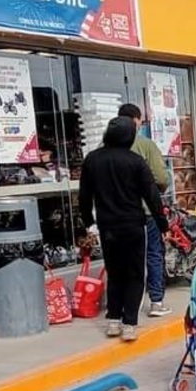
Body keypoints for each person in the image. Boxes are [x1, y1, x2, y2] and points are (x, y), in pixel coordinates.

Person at [78, 116, 169, 342]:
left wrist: (88, 222)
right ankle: (129, 323)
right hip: (133, 225)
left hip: (107, 226)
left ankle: (113, 320)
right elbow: (152, 195)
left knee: (115, 272)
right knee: (135, 274)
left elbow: (83, 195)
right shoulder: (135, 161)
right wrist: (162, 224)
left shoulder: (92, 160)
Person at [118, 102, 173, 318]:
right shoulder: (145, 145)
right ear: (136, 121)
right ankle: (156, 302)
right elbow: (161, 178)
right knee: (153, 254)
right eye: (140, 120)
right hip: (144, 212)